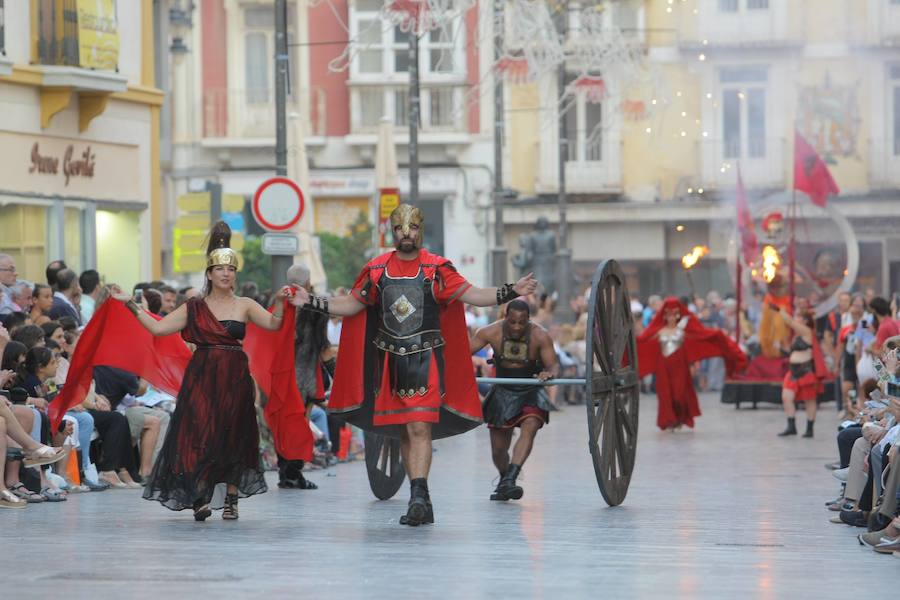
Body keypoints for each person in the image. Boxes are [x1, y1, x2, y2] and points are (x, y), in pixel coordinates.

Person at [313, 204, 538, 526]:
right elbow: (350, 304)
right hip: (389, 361)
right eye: (400, 229)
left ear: (420, 230)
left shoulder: (437, 268)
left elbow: (473, 294)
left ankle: (418, 495)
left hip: (426, 358)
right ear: (393, 232)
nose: (407, 234)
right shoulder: (376, 270)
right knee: (406, 429)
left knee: (418, 425)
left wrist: (510, 291)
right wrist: (309, 301)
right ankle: (422, 498)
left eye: (413, 228)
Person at [113, 222, 294, 521]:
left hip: (235, 377)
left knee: (234, 436)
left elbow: (274, 324)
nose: (226, 273)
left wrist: (280, 302)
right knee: (198, 436)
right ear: (209, 273)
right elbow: (158, 328)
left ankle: (232, 499)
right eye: (220, 269)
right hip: (202, 377)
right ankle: (200, 496)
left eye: (231, 269)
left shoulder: (246, 305)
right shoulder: (194, 307)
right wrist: (129, 304)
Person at [469, 299, 558, 501]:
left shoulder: (540, 336)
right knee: (499, 450)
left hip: (530, 389)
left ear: (528, 319)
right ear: (505, 317)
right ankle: (504, 479)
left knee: (531, 425)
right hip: (502, 390)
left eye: (522, 322)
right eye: (512, 322)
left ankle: (511, 477)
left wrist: (547, 373)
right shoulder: (489, 332)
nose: (517, 327)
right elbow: (462, 354)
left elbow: (553, 365)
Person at [637, 297, 747, 431]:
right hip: (663, 367)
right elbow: (642, 341)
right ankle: (669, 420)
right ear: (665, 316)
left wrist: (718, 335)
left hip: (680, 367)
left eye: (674, 315)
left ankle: (680, 418)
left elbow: (702, 335)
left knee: (679, 393)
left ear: (677, 315)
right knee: (665, 394)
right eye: (669, 315)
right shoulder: (659, 331)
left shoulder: (683, 330)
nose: (671, 318)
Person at [775, 306, 827, 438]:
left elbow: (790, 322)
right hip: (793, 371)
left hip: (805, 370)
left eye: (798, 316)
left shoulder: (807, 331)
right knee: (787, 397)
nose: (795, 318)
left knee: (809, 400)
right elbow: (794, 352)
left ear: (804, 320)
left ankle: (809, 428)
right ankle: (791, 426)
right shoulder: (797, 335)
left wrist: (779, 309)